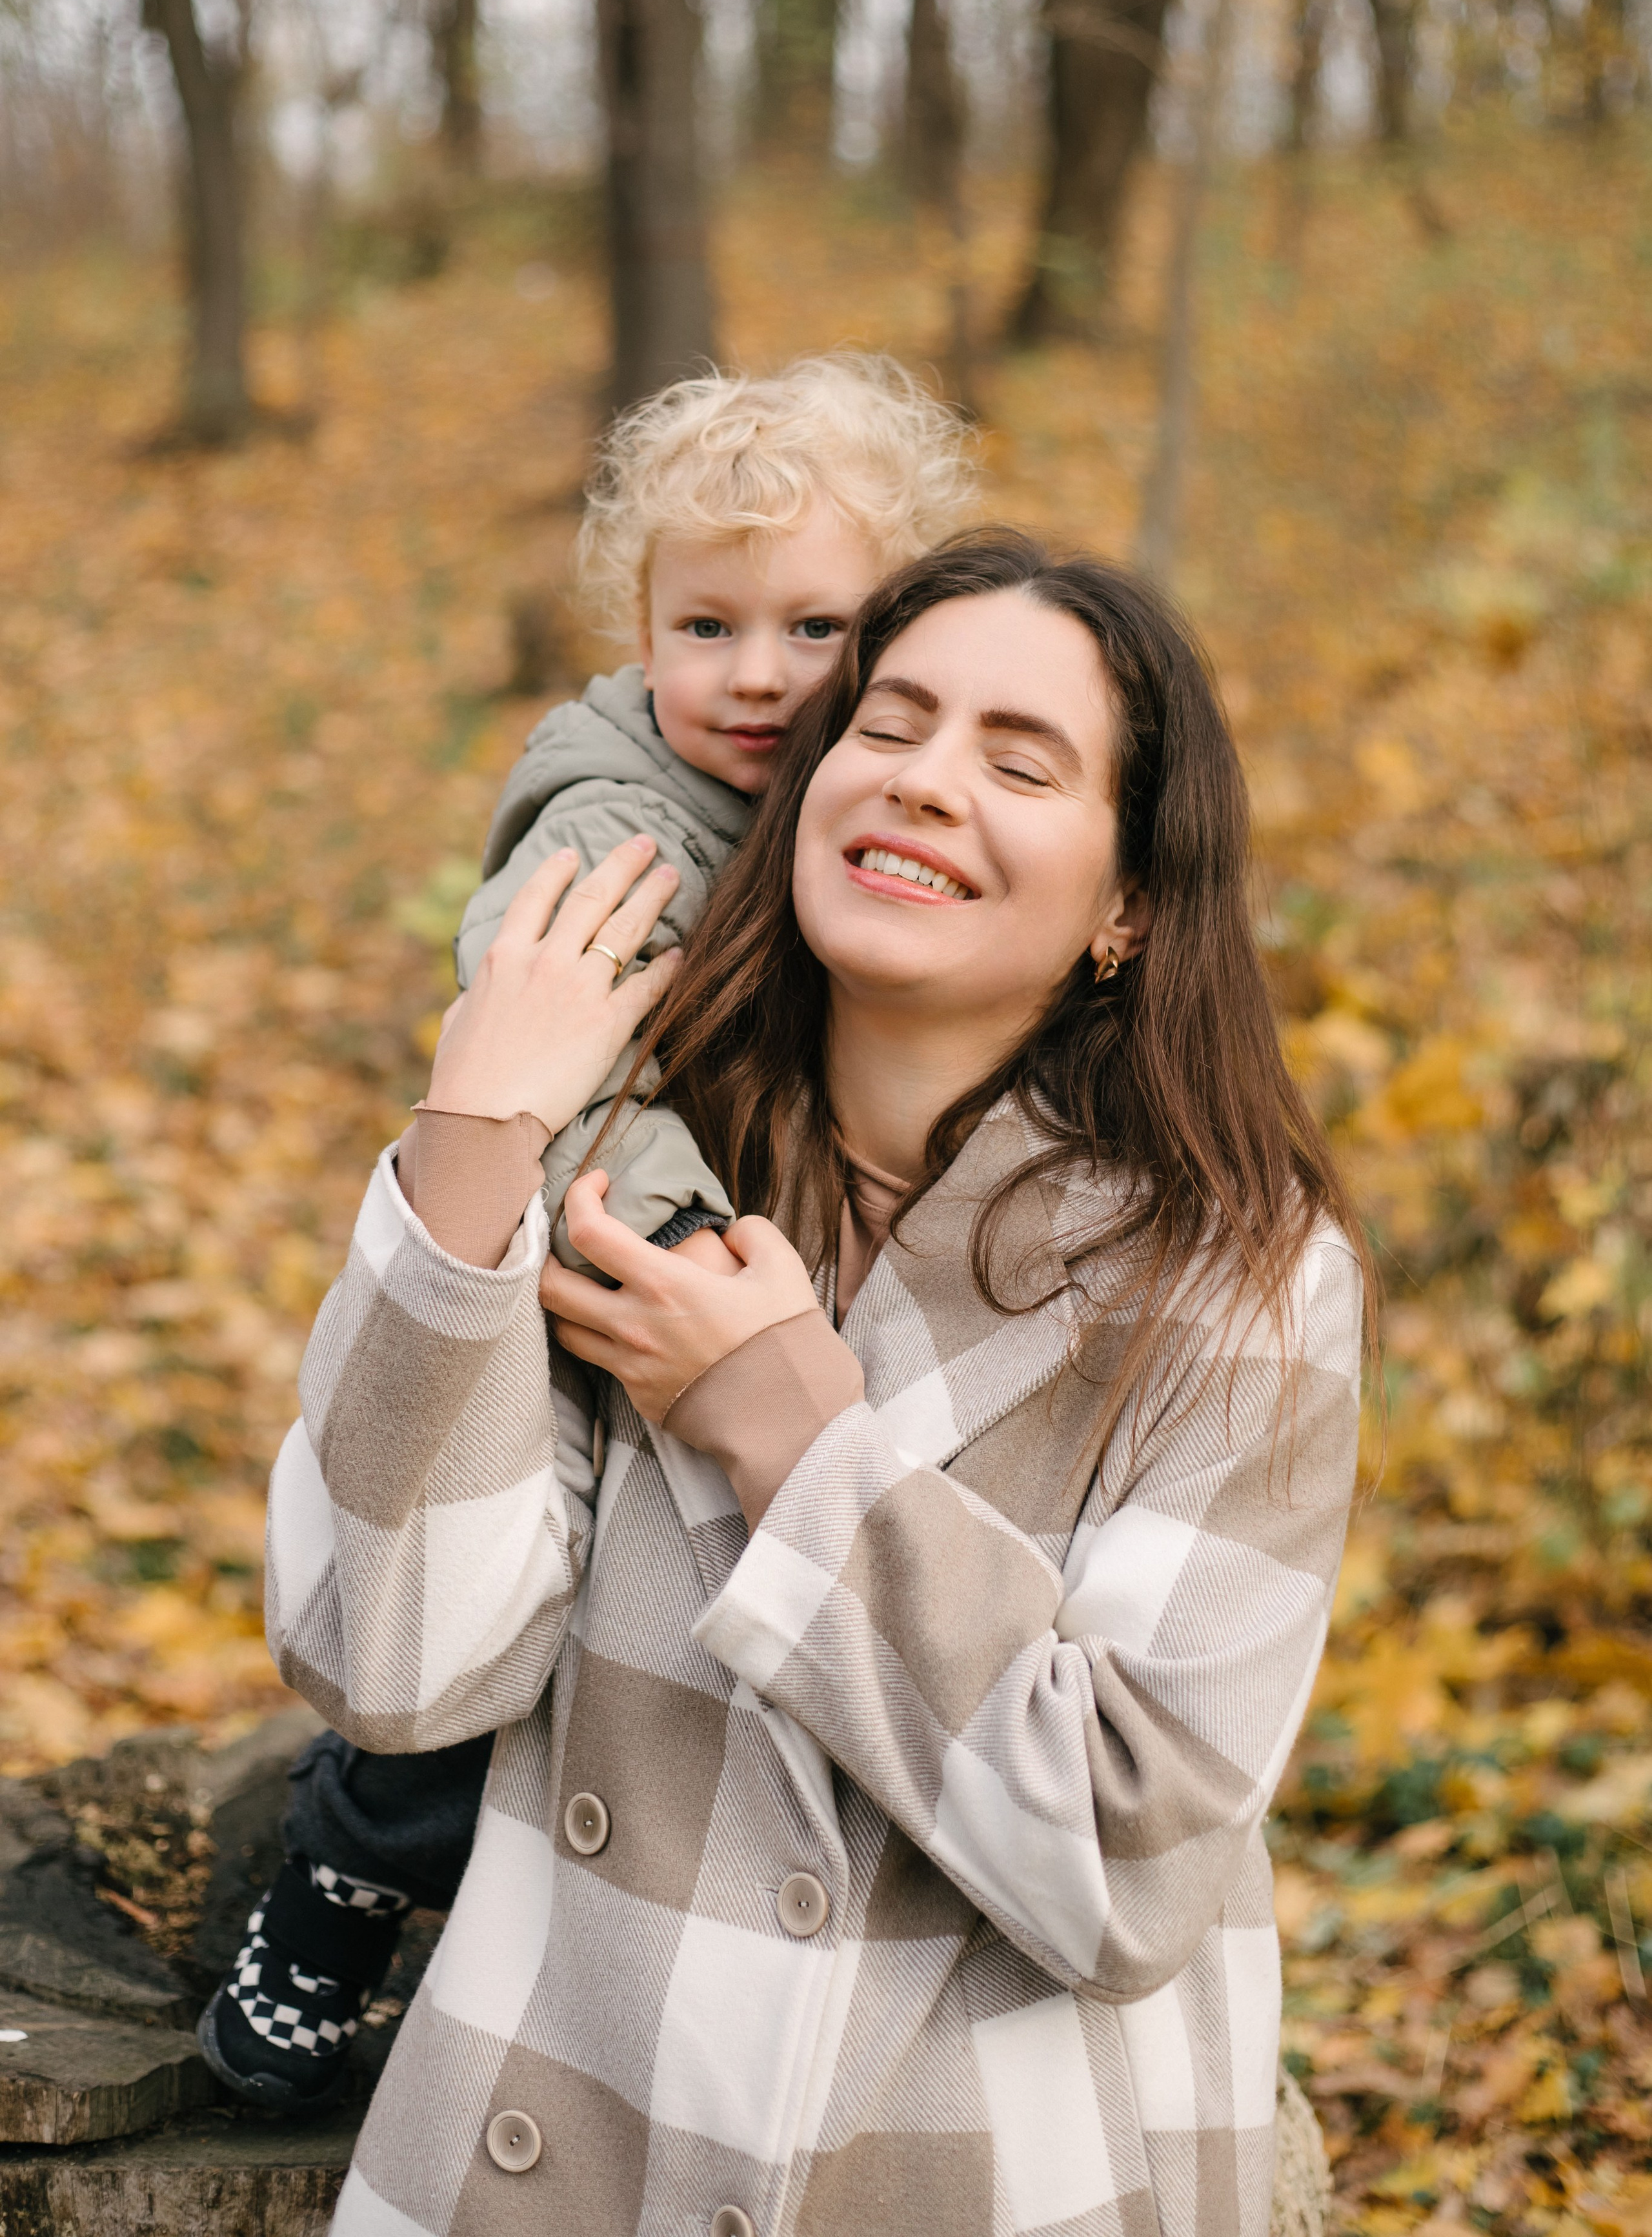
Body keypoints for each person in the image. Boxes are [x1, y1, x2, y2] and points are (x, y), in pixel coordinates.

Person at [265, 530, 1370, 2237]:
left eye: (1017, 761)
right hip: (557, 2159)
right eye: (890, 724)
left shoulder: (1232, 1276)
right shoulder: (619, 1166)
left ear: (1130, 904)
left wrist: (789, 1424)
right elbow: (391, 1664)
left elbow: (1122, 1856)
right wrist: (478, 1137)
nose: (926, 783)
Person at [199, 355, 979, 2113]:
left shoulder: (820, 800)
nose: (761, 675)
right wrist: (685, 1252)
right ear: (640, 633)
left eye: (817, 627)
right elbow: (569, 1053)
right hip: (588, 1274)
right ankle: (335, 1889)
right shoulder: (629, 823)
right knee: (501, 1625)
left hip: (701, 1280)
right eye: (708, 627)